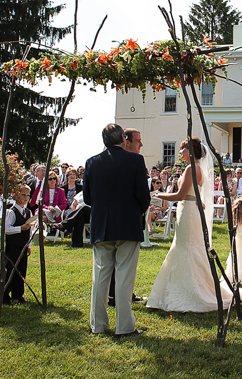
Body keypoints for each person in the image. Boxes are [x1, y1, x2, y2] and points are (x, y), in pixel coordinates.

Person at [147, 137, 242, 313]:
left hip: (187, 210)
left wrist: (158, 195)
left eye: (183, 148)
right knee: (187, 246)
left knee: (186, 247)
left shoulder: (192, 168)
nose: (180, 151)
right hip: (189, 209)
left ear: (192, 150)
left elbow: (180, 195)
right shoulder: (196, 168)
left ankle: (192, 289)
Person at [83, 123, 150, 337]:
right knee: (124, 277)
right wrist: (137, 211)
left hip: (101, 225)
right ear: (123, 138)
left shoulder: (92, 162)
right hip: (128, 224)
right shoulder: (135, 160)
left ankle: (98, 325)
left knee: (100, 276)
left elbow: (87, 198)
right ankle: (124, 326)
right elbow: (143, 196)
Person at [3, 183, 36, 304]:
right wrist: (20, 228)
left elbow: (30, 231)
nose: (25, 198)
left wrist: (29, 245)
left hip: (23, 245)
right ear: (16, 195)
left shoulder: (28, 212)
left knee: (21, 270)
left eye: (28, 195)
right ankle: (5, 295)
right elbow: (6, 229)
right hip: (13, 246)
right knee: (10, 269)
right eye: (23, 195)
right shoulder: (11, 212)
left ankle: (18, 295)